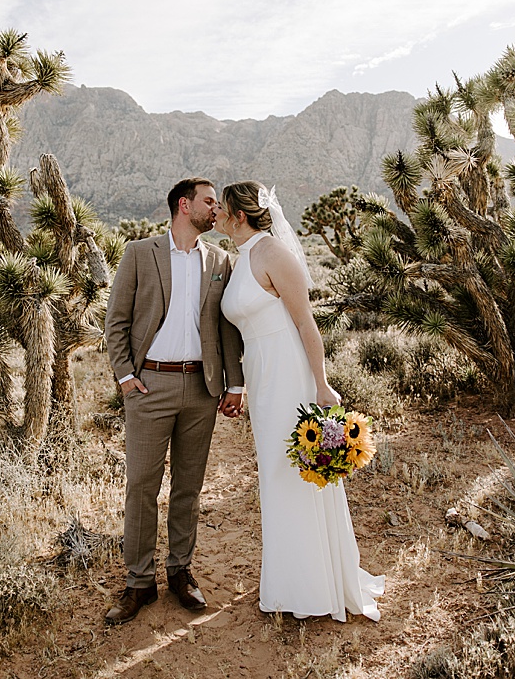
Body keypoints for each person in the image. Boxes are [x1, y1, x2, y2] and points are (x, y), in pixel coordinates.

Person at [216, 182, 383, 622]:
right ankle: (290, 577)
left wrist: (322, 385)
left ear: (238, 215)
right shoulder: (241, 258)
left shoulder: (274, 254)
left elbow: (307, 326)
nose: (214, 213)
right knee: (273, 472)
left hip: (289, 372)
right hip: (261, 372)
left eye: (222, 209)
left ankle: (311, 587)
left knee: (292, 472)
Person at [102, 179, 246, 626]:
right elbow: (116, 322)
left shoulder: (221, 261)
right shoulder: (140, 254)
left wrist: (234, 384)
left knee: (189, 486)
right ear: (185, 206)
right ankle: (139, 581)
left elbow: (226, 329)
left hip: (200, 389)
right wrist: (126, 378)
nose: (216, 209)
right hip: (150, 387)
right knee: (142, 485)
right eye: (209, 201)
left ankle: (180, 571)